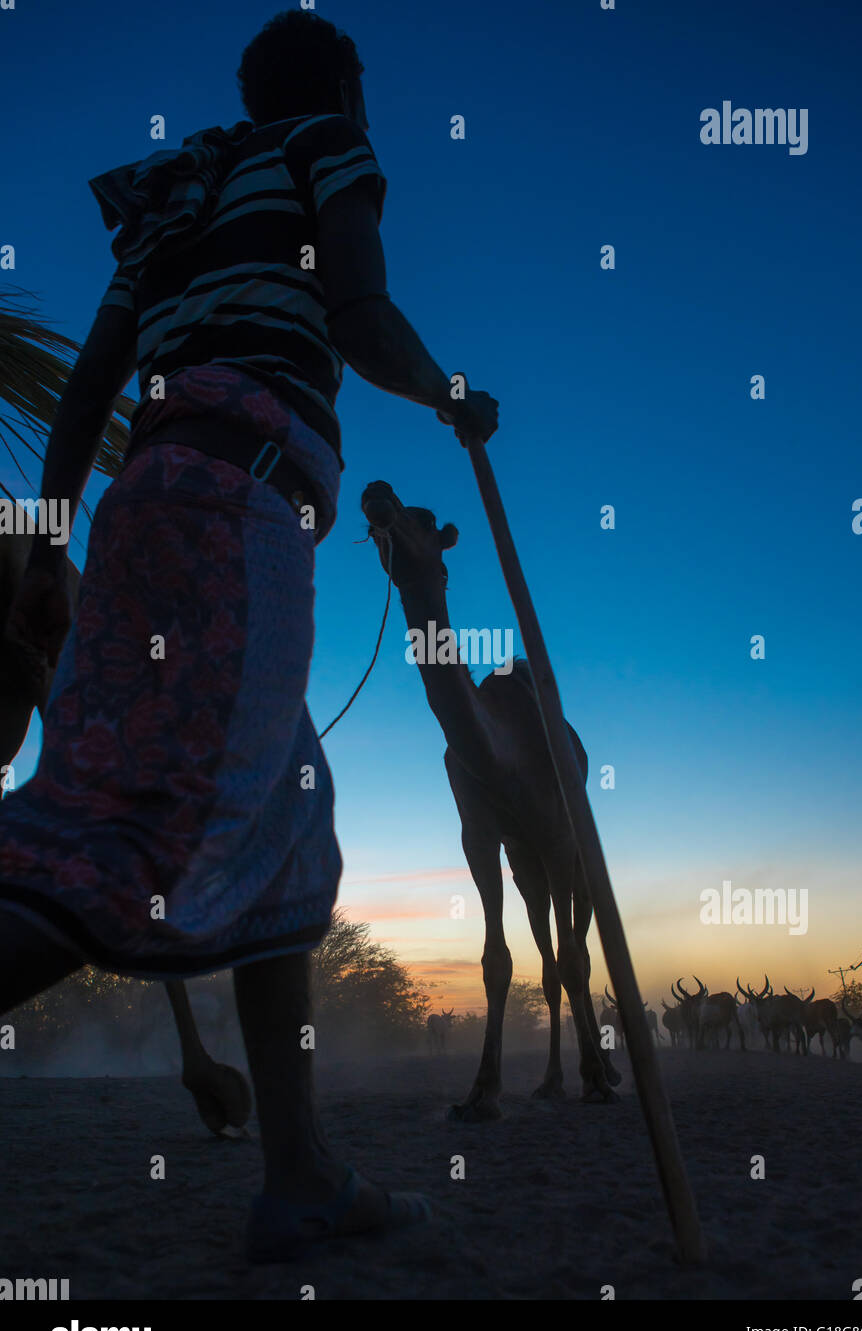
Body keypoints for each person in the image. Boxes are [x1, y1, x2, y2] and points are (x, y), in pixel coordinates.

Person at [0, 9, 498, 1261]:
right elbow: (364, 314)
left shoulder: (176, 196)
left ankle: (301, 1173)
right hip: (239, 512)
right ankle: (300, 1170)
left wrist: (52, 536)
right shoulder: (324, 144)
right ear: (341, 86)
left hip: (151, 509)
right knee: (128, 839)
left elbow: (91, 385)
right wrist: (453, 400)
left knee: (286, 826)